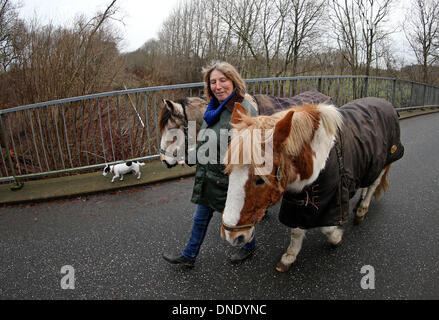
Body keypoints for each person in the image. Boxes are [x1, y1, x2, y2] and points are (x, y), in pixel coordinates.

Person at [162, 61, 258, 267]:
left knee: (237, 219)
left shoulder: (243, 109)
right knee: (200, 219)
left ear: (234, 81)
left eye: (223, 80)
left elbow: (249, 151)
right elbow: (208, 142)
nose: (218, 86)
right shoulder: (213, 108)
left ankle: (250, 245)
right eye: (213, 82)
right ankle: (189, 255)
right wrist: (188, 157)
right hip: (209, 177)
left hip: (228, 181)